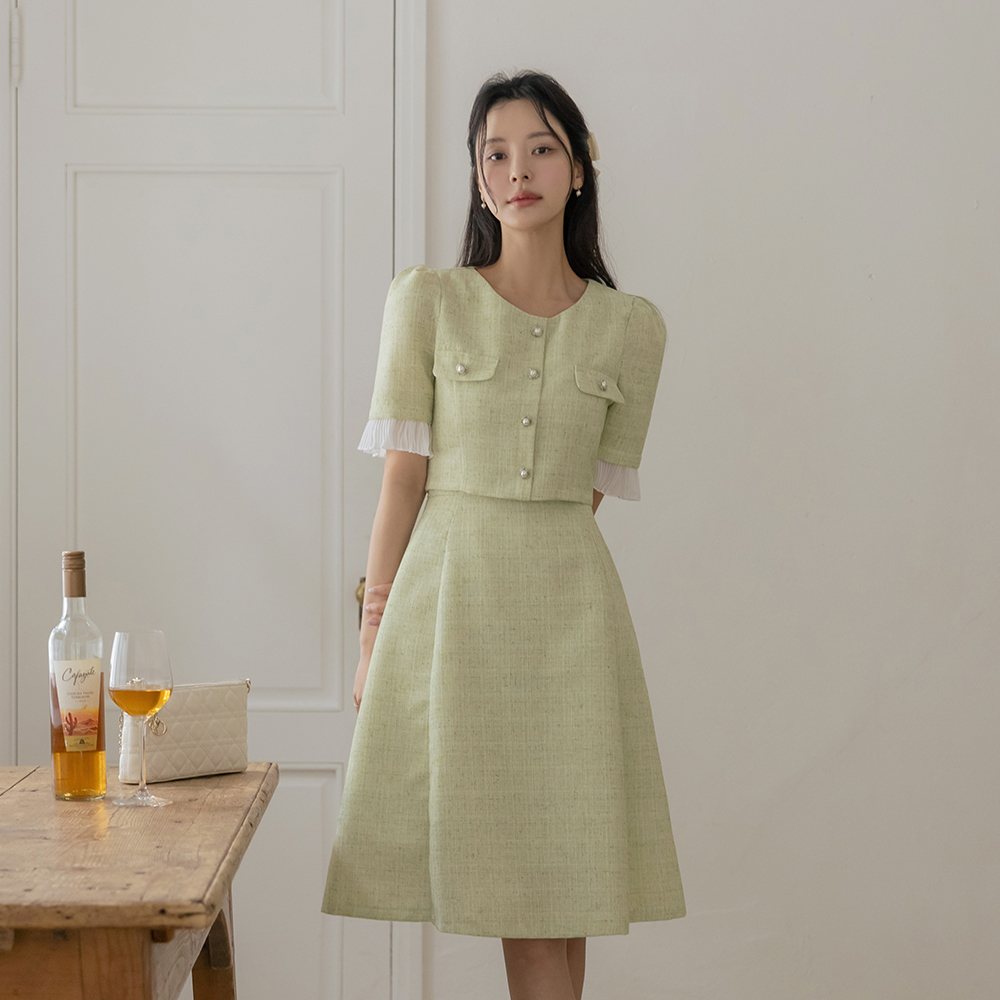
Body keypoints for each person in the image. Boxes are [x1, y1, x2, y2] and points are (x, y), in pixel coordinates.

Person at [322, 69, 686, 1000]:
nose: (517, 169)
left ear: (579, 167)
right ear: (480, 180)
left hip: (572, 628)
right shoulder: (427, 301)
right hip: (456, 618)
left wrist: (530, 555)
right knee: (525, 901)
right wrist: (373, 632)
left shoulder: (631, 330)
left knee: (567, 895)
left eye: (541, 148)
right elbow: (403, 480)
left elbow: (586, 493)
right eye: (496, 154)